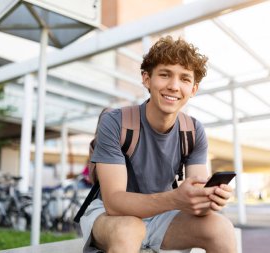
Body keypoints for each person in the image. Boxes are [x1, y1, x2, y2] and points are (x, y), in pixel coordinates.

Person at [80, 36, 236, 253]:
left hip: (162, 214)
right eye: (164, 75)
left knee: (221, 228)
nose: (173, 86)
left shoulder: (193, 131)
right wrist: (176, 199)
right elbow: (114, 202)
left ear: (193, 89)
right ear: (146, 79)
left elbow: (195, 193)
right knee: (129, 229)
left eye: (184, 79)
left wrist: (207, 200)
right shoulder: (116, 122)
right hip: (111, 216)